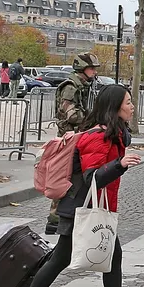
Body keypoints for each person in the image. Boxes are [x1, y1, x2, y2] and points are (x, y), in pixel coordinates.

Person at [11, 84, 144, 287]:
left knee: (112, 255)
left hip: (92, 207)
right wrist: (120, 164)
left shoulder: (112, 134)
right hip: (81, 209)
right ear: (115, 107)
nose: (132, 107)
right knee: (60, 259)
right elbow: (92, 177)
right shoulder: (98, 137)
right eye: (128, 102)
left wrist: (119, 163)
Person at [49, 53, 100, 235]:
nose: (94, 72)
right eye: (92, 68)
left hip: (78, 137)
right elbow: (72, 115)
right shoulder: (71, 87)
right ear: (82, 68)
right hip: (68, 139)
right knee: (65, 178)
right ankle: (55, 217)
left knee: (75, 178)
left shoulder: (84, 86)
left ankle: (65, 215)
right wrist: (92, 118)